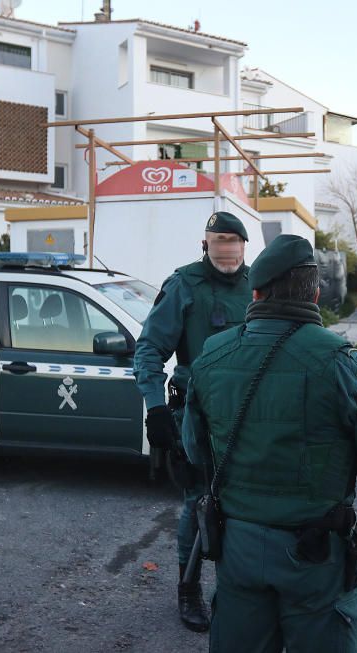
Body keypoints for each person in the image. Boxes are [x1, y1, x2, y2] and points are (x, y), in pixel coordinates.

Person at [182, 234, 357, 652]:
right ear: (316, 292)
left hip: (238, 549)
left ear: (256, 292)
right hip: (315, 555)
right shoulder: (343, 362)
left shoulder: (211, 356)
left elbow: (196, 452)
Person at [133, 211, 253, 632]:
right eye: (219, 242)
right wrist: (156, 408)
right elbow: (149, 350)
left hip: (250, 416)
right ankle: (188, 588)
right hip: (197, 415)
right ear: (205, 245)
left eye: (234, 243)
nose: (227, 251)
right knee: (197, 503)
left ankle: (237, 590)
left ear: (244, 246)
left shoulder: (257, 286)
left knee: (245, 504)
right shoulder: (183, 285)